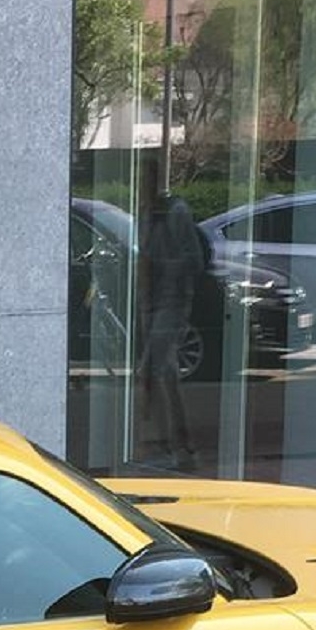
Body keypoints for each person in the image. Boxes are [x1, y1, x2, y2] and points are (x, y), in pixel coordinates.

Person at [135, 189, 205, 471]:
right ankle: (180, 446)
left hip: (171, 302)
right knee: (166, 373)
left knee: (152, 371)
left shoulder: (175, 212)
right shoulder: (147, 215)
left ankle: (171, 446)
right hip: (152, 303)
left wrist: (162, 268)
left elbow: (193, 261)